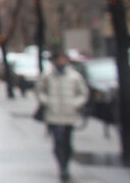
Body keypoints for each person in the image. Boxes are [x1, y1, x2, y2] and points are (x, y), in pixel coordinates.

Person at [37, 49, 88, 181]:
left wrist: (74, 104)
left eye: (63, 59)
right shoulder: (47, 76)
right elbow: (39, 91)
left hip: (69, 115)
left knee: (67, 143)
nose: (61, 61)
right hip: (53, 115)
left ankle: (66, 165)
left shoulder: (74, 76)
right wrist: (48, 102)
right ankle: (62, 168)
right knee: (58, 142)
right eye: (59, 59)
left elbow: (83, 93)